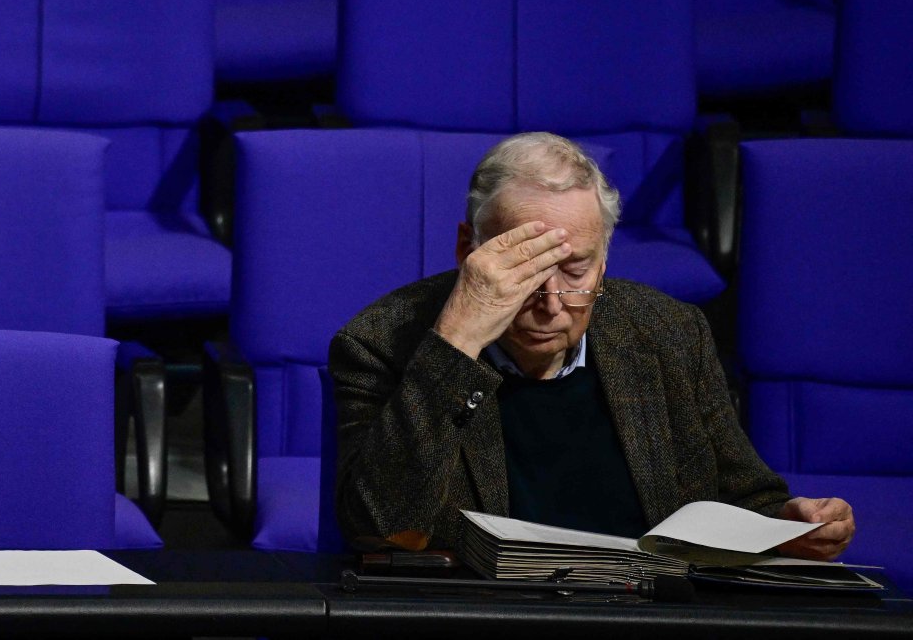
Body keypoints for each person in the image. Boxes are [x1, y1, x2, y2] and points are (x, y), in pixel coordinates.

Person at [329, 132, 855, 558]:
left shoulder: (670, 334)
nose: (551, 301)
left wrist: (787, 526)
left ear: (603, 265)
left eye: (575, 270)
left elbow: (744, 498)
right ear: (470, 249)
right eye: (525, 270)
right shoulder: (380, 342)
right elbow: (379, 526)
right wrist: (458, 342)